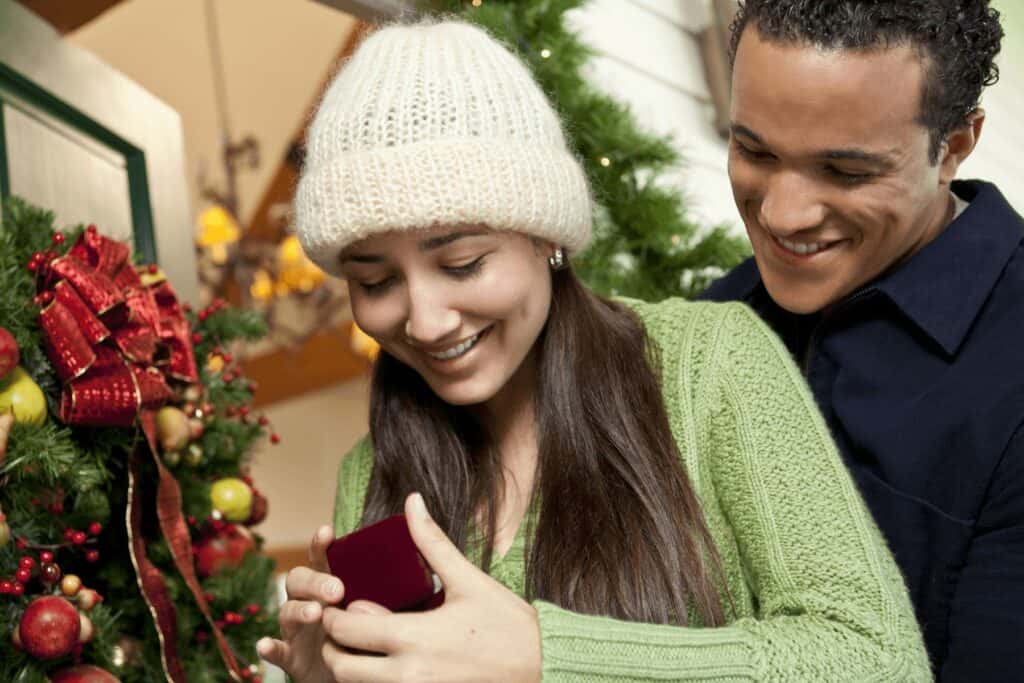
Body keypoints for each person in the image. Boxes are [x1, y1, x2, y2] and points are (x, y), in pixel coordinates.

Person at [257, 19, 929, 682]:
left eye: (461, 263)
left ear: (546, 237)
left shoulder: (711, 366)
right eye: (374, 281)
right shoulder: (371, 469)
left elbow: (878, 658)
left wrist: (547, 656)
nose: (426, 321)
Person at [699, 1, 1022, 680]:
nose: (783, 215)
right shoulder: (720, 315)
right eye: (754, 149)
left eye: (846, 173)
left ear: (955, 146)